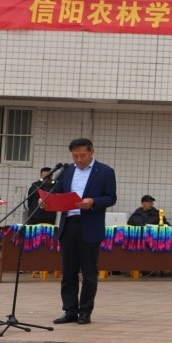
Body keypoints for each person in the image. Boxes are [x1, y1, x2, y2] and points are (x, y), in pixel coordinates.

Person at [50, 138, 118, 324]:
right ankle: (69, 310)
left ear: (91, 152)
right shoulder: (67, 171)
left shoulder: (105, 171)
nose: (79, 159)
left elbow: (111, 197)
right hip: (69, 224)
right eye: (75, 156)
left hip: (89, 225)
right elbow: (57, 192)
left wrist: (93, 202)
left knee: (89, 273)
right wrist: (47, 201)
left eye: (82, 155)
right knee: (68, 272)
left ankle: (85, 311)